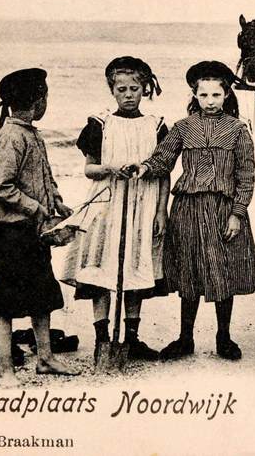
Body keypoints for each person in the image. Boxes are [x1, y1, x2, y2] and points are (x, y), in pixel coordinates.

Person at [136, 61, 255, 360]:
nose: (210, 102)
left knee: (224, 271)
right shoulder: (182, 127)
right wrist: (143, 167)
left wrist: (238, 213)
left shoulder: (238, 130)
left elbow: (246, 175)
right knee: (188, 272)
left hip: (223, 209)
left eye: (216, 95)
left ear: (227, 95)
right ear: (195, 95)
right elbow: (162, 160)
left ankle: (224, 338)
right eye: (203, 96)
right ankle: (185, 338)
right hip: (187, 209)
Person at [59, 56, 169, 360]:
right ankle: (102, 338)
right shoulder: (100, 124)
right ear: (112, 90)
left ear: (145, 89)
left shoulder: (156, 126)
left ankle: (131, 338)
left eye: (135, 88)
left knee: (136, 267)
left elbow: (164, 172)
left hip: (142, 206)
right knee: (102, 271)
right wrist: (111, 167)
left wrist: (161, 211)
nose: (128, 94)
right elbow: (89, 170)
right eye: (121, 89)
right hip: (107, 204)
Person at [0, 68, 79, 385]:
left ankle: (45, 358)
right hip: (8, 235)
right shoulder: (11, 138)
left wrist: (57, 202)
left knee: (42, 296)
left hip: (32, 233)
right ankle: (6, 369)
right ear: (38, 102)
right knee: (5, 303)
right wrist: (37, 208)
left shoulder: (30, 133)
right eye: (45, 97)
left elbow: (43, 178)